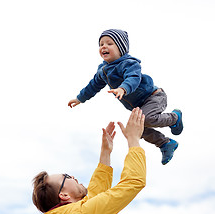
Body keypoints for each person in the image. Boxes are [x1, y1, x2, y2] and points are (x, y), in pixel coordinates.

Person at [68, 29, 183, 165]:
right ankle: (165, 143)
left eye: (109, 43)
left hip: (154, 97)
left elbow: (133, 77)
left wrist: (123, 88)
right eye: (101, 44)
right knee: (136, 129)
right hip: (140, 106)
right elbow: (93, 86)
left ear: (121, 48)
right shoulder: (102, 71)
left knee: (148, 119)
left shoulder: (129, 63)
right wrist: (80, 98)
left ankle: (175, 118)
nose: (103, 46)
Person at [32, 107, 146, 214]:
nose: (73, 177)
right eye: (66, 177)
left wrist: (105, 153)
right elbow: (133, 182)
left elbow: (93, 196)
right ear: (64, 195)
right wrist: (133, 140)